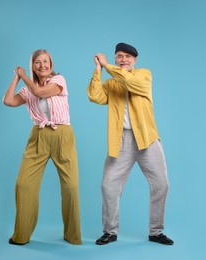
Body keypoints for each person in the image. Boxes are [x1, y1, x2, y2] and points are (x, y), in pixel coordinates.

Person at [87, 42, 174, 245]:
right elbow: (95, 96)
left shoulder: (144, 75)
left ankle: (156, 231)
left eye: (128, 57)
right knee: (108, 186)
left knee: (161, 184)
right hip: (122, 139)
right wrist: (98, 70)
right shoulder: (111, 83)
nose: (123, 59)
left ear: (134, 60)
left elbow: (128, 80)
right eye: (119, 56)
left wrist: (108, 65)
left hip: (147, 138)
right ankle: (110, 231)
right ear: (116, 58)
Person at [3, 49, 82, 245]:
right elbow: (8, 101)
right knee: (24, 184)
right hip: (38, 136)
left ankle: (72, 235)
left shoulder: (59, 81)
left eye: (45, 61)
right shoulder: (27, 89)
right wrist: (16, 78)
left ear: (51, 64)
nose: (42, 65)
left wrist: (23, 76)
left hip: (62, 134)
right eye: (37, 62)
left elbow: (39, 92)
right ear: (33, 66)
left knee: (71, 187)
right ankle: (20, 236)